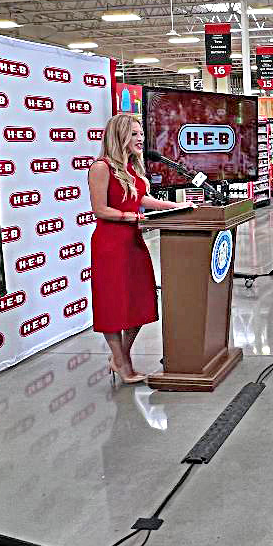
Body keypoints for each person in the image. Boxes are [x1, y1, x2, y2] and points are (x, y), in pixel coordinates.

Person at [88, 115, 191, 384]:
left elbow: (143, 200)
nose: (140, 139)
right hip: (110, 244)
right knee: (112, 304)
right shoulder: (101, 168)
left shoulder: (132, 170)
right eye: (134, 134)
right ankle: (123, 362)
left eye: (141, 133)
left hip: (133, 242)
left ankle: (120, 356)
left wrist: (178, 207)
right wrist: (131, 218)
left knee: (140, 301)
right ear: (119, 136)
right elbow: (99, 209)